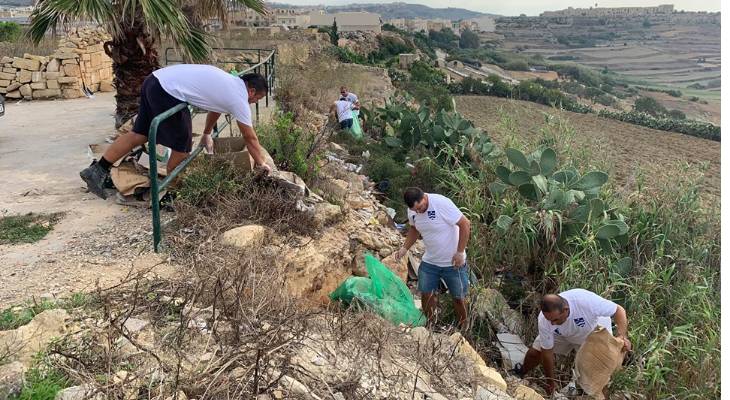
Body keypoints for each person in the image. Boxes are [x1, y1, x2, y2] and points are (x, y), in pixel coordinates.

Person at [80, 64, 271, 199]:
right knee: (182, 146)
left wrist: (206, 133)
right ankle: (173, 188)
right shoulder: (239, 98)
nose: (253, 103)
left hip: (154, 81)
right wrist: (262, 163)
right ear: (251, 91)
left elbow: (217, 108)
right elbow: (250, 138)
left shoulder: (229, 83)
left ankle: (98, 169)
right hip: (168, 91)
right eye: (257, 99)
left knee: (140, 134)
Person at [514, 289, 631, 395]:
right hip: (562, 334)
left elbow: (619, 310)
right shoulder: (546, 320)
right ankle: (519, 374)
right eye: (549, 320)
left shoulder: (586, 302)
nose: (552, 323)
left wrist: (621, 336)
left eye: (555, 319)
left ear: (566, 310)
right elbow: (547, 353)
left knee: (597, 376)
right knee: (535, 353)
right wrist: (551, 382)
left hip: (592, 336)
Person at [394, 187, 471, 329]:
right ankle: (431, 325)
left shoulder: (441, 203)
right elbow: (414, 229)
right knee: (426, 294)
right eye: (415, 210)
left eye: (420, 207)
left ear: (424, 197)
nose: (418, 211)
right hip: (430, 261)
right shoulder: (413, 210)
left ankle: (464, 328)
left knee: (459, 298)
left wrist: (460, 252)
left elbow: (465, 224)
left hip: (453, 263)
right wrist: (405, 248)